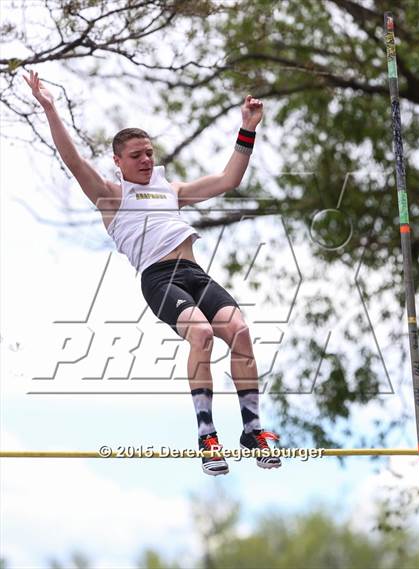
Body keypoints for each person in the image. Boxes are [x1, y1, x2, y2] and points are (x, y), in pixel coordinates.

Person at [24, 70, 281, 476]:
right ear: (118, 161)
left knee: (241, 331)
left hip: (195, 273)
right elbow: (72, 160)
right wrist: (50, 109)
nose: (146, 160)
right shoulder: (111, 195)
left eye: (149, 153)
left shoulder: (168, 188)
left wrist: (247, 129)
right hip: (159, 279)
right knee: (201, 334)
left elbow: (229, 179)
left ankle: (252, 430)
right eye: (136, 156)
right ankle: (207, 437)